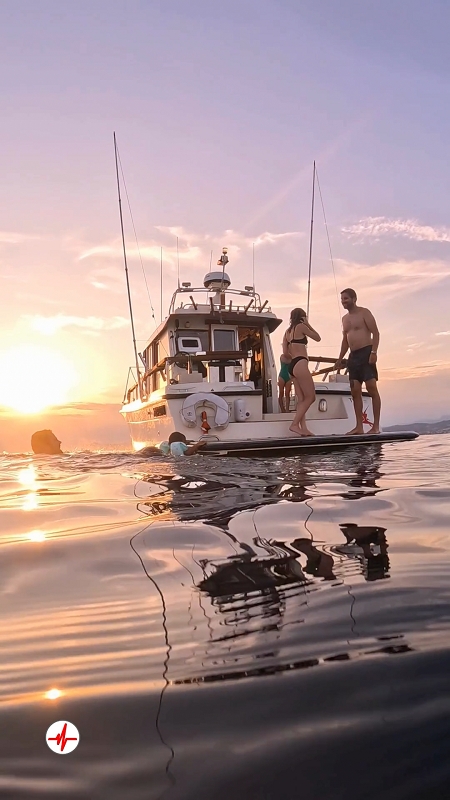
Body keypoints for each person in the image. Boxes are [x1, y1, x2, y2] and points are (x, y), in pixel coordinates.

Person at [335, 288, 381, 434]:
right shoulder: (345, 319)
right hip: (353, 356)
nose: (343, 301)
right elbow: (345, 340)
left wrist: (374, 352)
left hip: (366, 352)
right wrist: (340, 358)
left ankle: (375, 427)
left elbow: (376, 332)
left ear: (354, 299)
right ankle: (359, 427)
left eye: (346, 298)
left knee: (371, 387)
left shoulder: (364, 313)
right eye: (342, 299)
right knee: (355, 391)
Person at [282, 307, 321, 436]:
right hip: (300, 363)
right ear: (302, 317)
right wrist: (307, 324)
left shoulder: (287, 332)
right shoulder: (301, 327)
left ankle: (303, 428)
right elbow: (318, 338)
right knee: (311, 397)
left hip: (291, 366)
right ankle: (294, 424)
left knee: (301, 399)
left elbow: (285, 353)